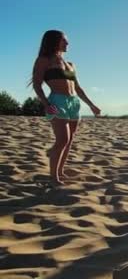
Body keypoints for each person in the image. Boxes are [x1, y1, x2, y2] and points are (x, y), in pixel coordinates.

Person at [31, 30, 101, 185]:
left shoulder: (70, 65)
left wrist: (91, 105)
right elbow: (37, 85)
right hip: (57, 101)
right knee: (62, 139)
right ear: (53, 41)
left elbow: (77, 87)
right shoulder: (44, 60)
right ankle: (53, 177)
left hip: (73, 102)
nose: (67, 43)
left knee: (69, 140)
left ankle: (60, 171)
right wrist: (47, 104)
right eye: (64, 40)